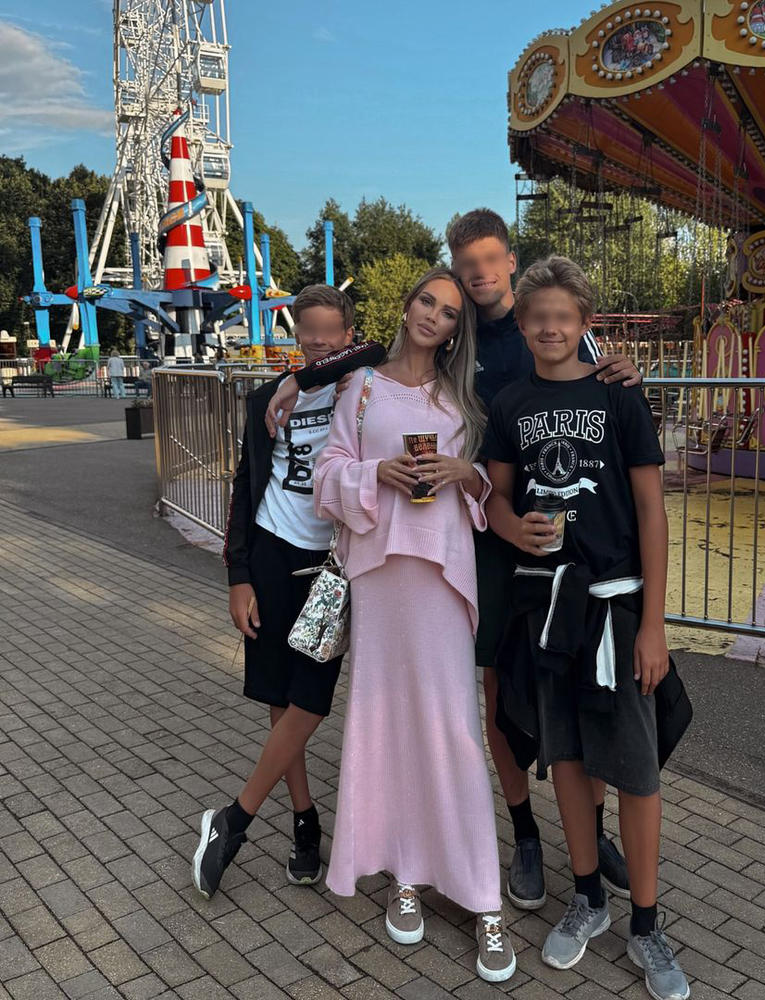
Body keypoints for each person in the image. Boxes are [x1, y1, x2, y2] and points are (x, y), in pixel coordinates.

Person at [263, 210, 642, 910]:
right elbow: (365, 361)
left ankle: (593, 832)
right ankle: (524, 834)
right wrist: (298, 378)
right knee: (495, 697)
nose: (477, 276)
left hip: (554, 533)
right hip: (479, 539)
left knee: (573, 686)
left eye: (488, 262)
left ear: (509, 260)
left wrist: (621, 370)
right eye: (465, 267)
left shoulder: (540, 324)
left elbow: (587, 365)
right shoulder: (440, 351)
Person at [483, 256, 690, 1000]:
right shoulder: (510, 403)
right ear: (522, 323)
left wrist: (654, 625)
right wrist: (513, 529)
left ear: (584, 323)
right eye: (537, 316)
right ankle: (588, 897)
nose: (550, 328)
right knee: (566, 758)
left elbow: (651, 511)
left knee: (635, 769)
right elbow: (495, 499)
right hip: (546, 607)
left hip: (615, 604)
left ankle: (647, 924)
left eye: (563, 316)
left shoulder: (618, 398)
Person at [312, 268, 516, 983]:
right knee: (384, 723)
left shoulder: (461, 397)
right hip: (378, 576)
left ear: (458, 329)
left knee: (454, 730)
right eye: (427, 301)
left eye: (449, 311)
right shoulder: (361, 388)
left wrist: (464, 474)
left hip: (441, 575)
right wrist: (376, 475)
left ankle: (483, 897)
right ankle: (403, 871)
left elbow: (485, 486)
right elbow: (326, 473)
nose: (434, 315)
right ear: (406, 307)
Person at [191, 285, 385, 899]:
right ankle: (304, 820)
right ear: (295, 333)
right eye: (309, 333)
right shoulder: (263, 399)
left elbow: (384, 347)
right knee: (281, 699)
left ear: (348, 334)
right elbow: (245, 489)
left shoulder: (365, 388)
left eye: (331, 333)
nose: (319, 343)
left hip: (333, 565)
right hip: (274, 555)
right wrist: (238, 576)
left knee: (312, 700)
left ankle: (235, 819)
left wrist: (305, 379)